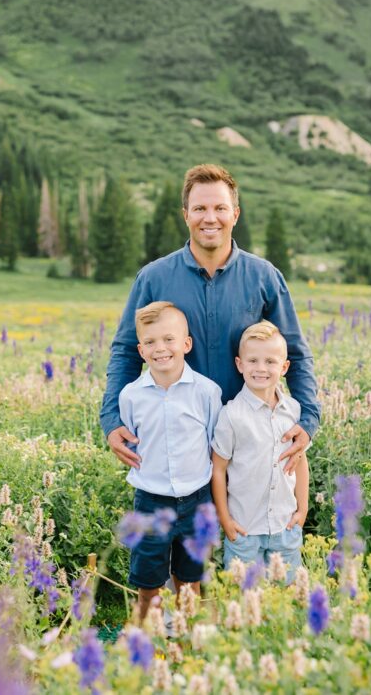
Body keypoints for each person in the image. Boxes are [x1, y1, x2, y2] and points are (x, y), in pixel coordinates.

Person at [101, 164, 319, 476]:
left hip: (250, 442)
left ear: (236, 214)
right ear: (185, 214)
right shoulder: (153, 278)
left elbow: (294, 352)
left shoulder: (265, 277)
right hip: (172, 444)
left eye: (220, 208)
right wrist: (112, 420)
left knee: (249, 526)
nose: (210, 218)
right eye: (200, 208)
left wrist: (307, 420)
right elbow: (125, 350)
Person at [118, 301, 222, 619]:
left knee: (190, 577)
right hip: (151, 499)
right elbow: (134, 441)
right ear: (140, 349)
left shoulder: (206, 392)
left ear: (186, 344)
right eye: (150, 342)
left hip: (196, 498)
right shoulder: (131, 396)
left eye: (168, 339)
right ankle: (146, 635)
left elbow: (213, 444)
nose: (160, 349)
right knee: (148, 577)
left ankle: (185, 638)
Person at [211, 320, 308, 582]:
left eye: (270, 362)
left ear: (284, 367)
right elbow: (218, 470)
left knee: (287, 598)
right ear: (240, 364)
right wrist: (225, 519)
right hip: (244, 529)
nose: (261, 369)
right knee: (243, 600)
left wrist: (303, 509)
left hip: (285, 526)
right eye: (252, 361)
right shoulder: (231, 415)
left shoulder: (294, 411)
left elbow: (300, 461)